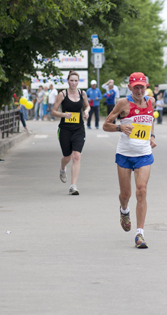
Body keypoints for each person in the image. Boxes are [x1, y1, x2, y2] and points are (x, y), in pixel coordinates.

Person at [103, 72, 157, 249]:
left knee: (141, 190)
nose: (140, 90)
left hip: (144, 153)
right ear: (130, 88)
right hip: (125, 154)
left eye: (142, 87)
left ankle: (140, 234)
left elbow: (151, 121)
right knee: (125, 194)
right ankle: (124, 210)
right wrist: (120, 127)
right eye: (136, 87)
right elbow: (106, 125)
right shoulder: (123, 103)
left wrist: (152, 136)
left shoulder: (151, 101)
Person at [52, 71, 90, 195]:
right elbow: (53, 111)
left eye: (76, 80)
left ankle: (73, 186)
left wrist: (86, 112)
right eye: (71, 80)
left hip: (78, 128)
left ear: (78, 82)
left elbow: (87, 106)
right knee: (67, 157)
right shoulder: (62, 94)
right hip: (65, 129)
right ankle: (63, 168)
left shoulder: (82, 93)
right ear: (68, 81)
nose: (73, 83)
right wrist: (64, 114)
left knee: (77, 156)